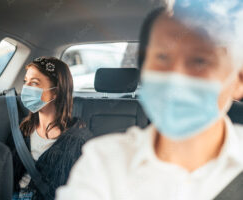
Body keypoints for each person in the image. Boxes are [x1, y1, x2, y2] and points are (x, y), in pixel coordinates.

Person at [56, 1, 243, 200]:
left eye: (199, 60)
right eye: (162, 57)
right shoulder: (102, 162)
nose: (175, 77)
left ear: (238, 80)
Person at [10, 56, 92, 200]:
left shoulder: (78, 140)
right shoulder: (23, 128)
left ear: (56, 91)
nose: (26, 88)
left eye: (34, 83)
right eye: (25, 82)